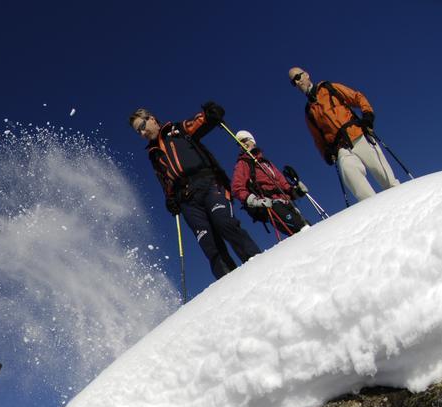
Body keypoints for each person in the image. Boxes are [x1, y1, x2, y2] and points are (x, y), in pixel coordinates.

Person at [130, 103, 262, 280]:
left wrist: (210, 114)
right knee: (208, 242)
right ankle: (229, 281)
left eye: (142, 127)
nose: (142, 133)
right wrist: (170, 199)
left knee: (224, 223)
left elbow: (198, 123)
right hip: (186, 200)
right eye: (137, 132)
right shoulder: (153, 154)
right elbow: (164, 180)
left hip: (207, 183)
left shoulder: (176, 130)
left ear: (152, 119)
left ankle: (256, 262)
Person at [288, 67, 399, 202]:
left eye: (298, 77)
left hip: (357, 135)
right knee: (353, 179)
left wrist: (367, 115)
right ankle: (374, 208)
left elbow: (357, 97)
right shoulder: (309, 112)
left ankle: (403, 201)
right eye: (293, 82)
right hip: (341, 148)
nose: (297, 82)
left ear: (306, 75)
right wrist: (326, 153)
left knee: (385, 177)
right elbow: (318, 139)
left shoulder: (329, 88)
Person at [230, 130, 307, 238]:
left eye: (243, 140)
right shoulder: (243, 163)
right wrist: (254, 200)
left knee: (306, 226)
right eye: (239, 143)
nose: (242, 145)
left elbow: (282, 182)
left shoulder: (266, 162)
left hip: (286, 201)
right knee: (300, 228)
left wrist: (295, 190)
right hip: (270, 204)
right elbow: (237, 187)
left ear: (252, 141)